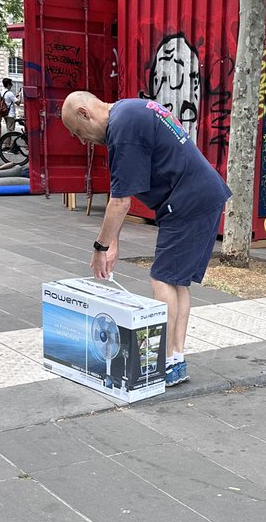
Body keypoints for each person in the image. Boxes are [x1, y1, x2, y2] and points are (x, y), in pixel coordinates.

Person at [60, 92, 230, 388]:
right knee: (176, 280)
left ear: (85, 113)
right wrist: (113, 241)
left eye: (78, 132)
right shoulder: (129, 110)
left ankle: (165, 362)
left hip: (188, 199)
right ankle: (175, 360)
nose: (83, 140)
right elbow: (122, 195)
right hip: (200, 194)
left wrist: (100, 247)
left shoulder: (123, 129)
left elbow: (120, 201)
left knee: (162, 279)